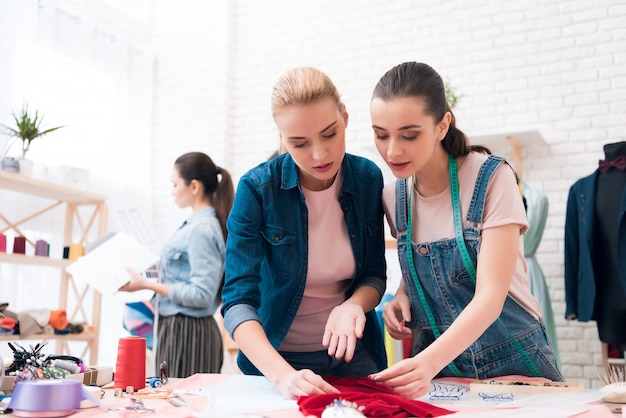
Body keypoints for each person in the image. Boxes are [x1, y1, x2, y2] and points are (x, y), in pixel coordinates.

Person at [368, 62, 563, 399]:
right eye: (381, 134)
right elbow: (431, 263)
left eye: (409, 134)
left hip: (514, 362)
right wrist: (402, 294)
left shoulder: (492, 178)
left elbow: (490, 296)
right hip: (442, 371)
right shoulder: (392, 196)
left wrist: (426, 363)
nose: (392, 150)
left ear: (442, 124)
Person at [221, 66, 388, 400]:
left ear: (345, 116)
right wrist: (283, 376)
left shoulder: (368, 178)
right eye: (299, 143)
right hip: (277, 361)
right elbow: (237, 301)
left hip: (354, 354)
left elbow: (374, 274)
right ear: (281, 138)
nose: (319, 155)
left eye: (329, 134)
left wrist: (353, 305)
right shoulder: (257, 189)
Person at [120, 151, 234, 378]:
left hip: (187, 334)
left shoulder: (201, 229)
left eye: (174, 184)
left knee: (180, 407)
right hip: (181, 331)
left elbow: (202, 294)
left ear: (194, 187)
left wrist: (147, 285)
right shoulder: (196, 226)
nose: (172, 191)